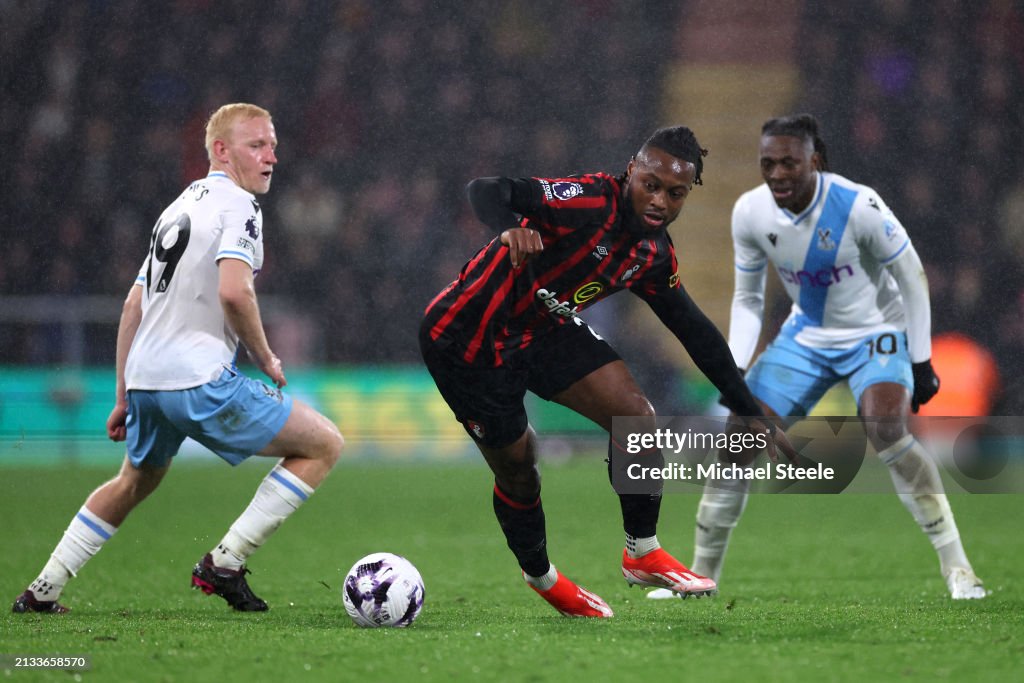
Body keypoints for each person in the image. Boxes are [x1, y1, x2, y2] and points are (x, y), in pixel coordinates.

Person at [419, 126, 796, 617]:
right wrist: (509, 226)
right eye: (651, 185)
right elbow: (487, 190)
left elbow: (693, 330)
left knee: (635, 415)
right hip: (468, 339)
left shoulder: (653, 254)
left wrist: (746, 407)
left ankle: (642, 551)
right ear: (630, 172)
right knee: (519, 467)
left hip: (542, 328)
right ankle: (542, 576)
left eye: (675, 193)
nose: (660, 201)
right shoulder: (588, 200)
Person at [12, 103, 344, 614]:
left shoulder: (179, 207)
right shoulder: (240, 207)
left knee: (132, 482)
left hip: (148, 381)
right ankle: (226, 562)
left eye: (273, 146)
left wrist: (124, 394)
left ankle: (42, 590)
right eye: (257, 145)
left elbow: (133, 305)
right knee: (323, 444)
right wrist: (266, 357)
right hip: (198, 379)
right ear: (221, 150)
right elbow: (235, 292)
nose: (271, 157)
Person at [647, 114, 986, 601]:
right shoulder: (751, 212)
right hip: (807, 336)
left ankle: (958, 567)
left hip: (876, 330)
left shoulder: (858, 205)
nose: (777, 173)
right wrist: (735, 368)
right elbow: (748, 299)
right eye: (768, 163)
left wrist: (920, 359)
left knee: (886, 429)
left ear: (816, 161)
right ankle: (700, 578)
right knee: (739, 438)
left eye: (789, 162)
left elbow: (911, 275)